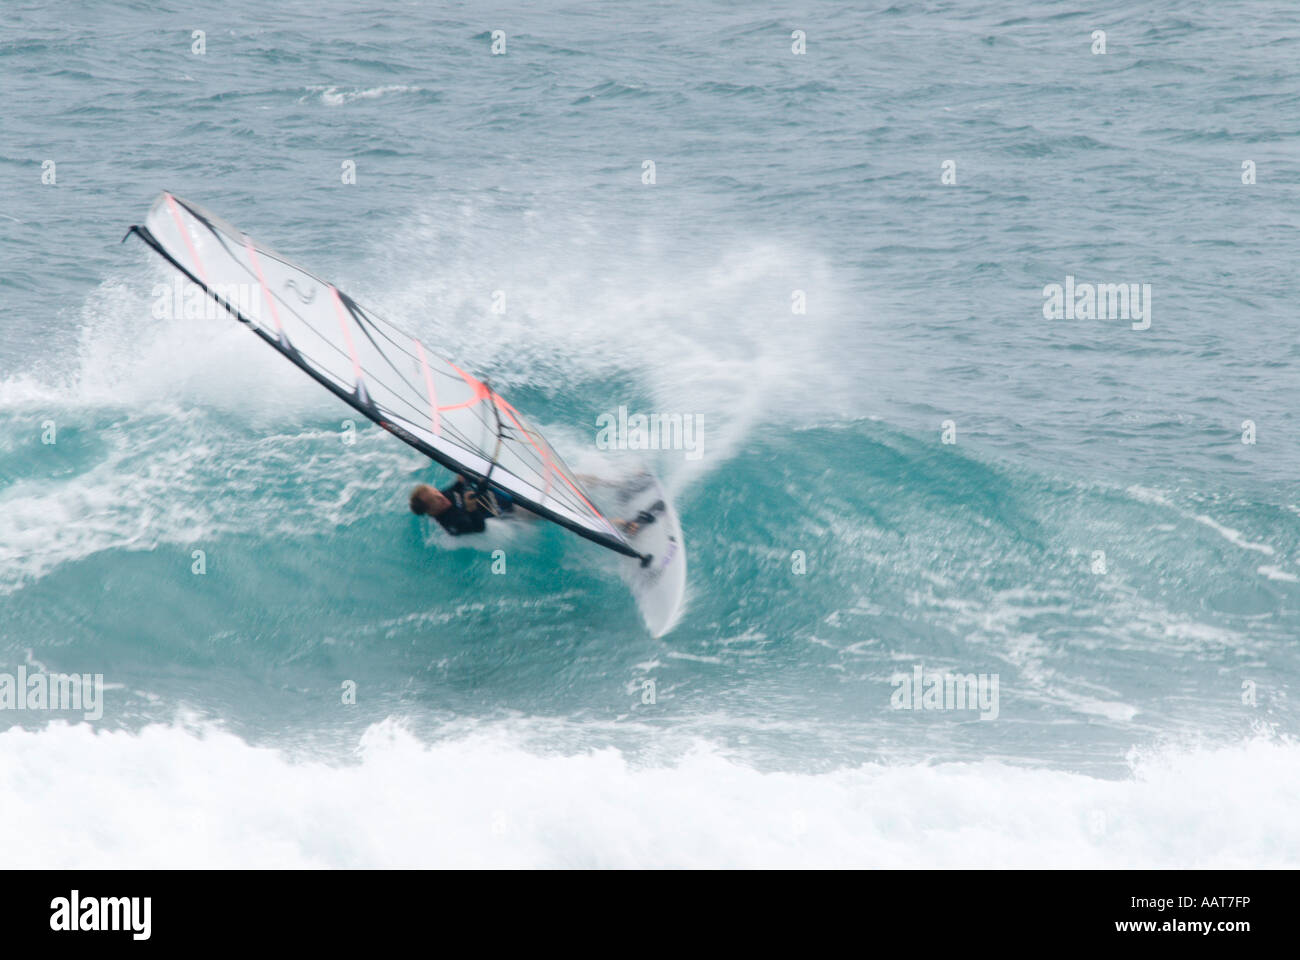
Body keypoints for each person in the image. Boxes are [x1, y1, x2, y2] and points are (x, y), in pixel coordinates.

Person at [410, 475, 514, 536]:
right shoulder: (451, 523)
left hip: (494, 491)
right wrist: (471, 509)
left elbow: (457, 487)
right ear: (431, 511)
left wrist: (461, 479)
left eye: (437, 493)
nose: (442, 497)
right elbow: (479, 529)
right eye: (437, 501)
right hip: (508, 512)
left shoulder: (442, 495)